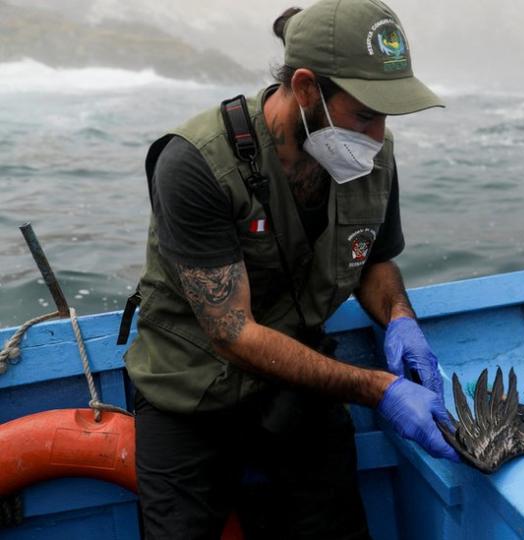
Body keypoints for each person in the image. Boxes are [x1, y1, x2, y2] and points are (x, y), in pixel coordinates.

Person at [121, 0, 459, 537]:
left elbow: (374, 260)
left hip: (298, 376)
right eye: (365, 115)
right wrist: (379, 390)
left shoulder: (370, 153)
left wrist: (399, 317)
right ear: (305, 89)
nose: (377, 138)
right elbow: (232, 334)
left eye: (386, 117)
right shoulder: (195, 163)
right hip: (189, 389)